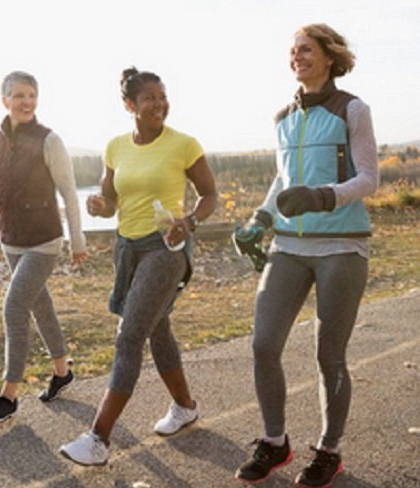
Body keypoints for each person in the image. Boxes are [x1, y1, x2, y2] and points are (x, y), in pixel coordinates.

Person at [233, 24, 379, 487]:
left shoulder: (352, 109)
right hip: (289, 247)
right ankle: (275, 442)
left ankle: (329, 452)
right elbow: (282, 180)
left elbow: (369, 178)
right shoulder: (284, 117)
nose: (297, 56)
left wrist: (322, 196)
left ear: (330, 57)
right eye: (293, 51)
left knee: (328, 355)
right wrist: (259, 219)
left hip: (341, 245)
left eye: (306, 49)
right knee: (263, 344)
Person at [59, 67, 218, 465]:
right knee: (157, 327)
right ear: (130, 105)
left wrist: (190, 222)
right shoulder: (115, 147)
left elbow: (210, 195)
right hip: (128, 249)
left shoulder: (184, 144)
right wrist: (99, 206)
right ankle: (185, 406)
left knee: (129, 336)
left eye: (162, 96)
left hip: (166, 248)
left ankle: (98, 439)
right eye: (149, 98)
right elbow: (110, 201)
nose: (159, 104)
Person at [0, 70, 89, 423]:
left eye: (32, 96)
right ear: (5, 101)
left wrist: (77, 240)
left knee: (14, 307)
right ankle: (62, 372)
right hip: (11, 240)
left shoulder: (49, 141)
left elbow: (69, 193)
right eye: (19, 96)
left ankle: (8, 396)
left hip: (44, 240)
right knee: (40, 305)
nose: (27, 102)